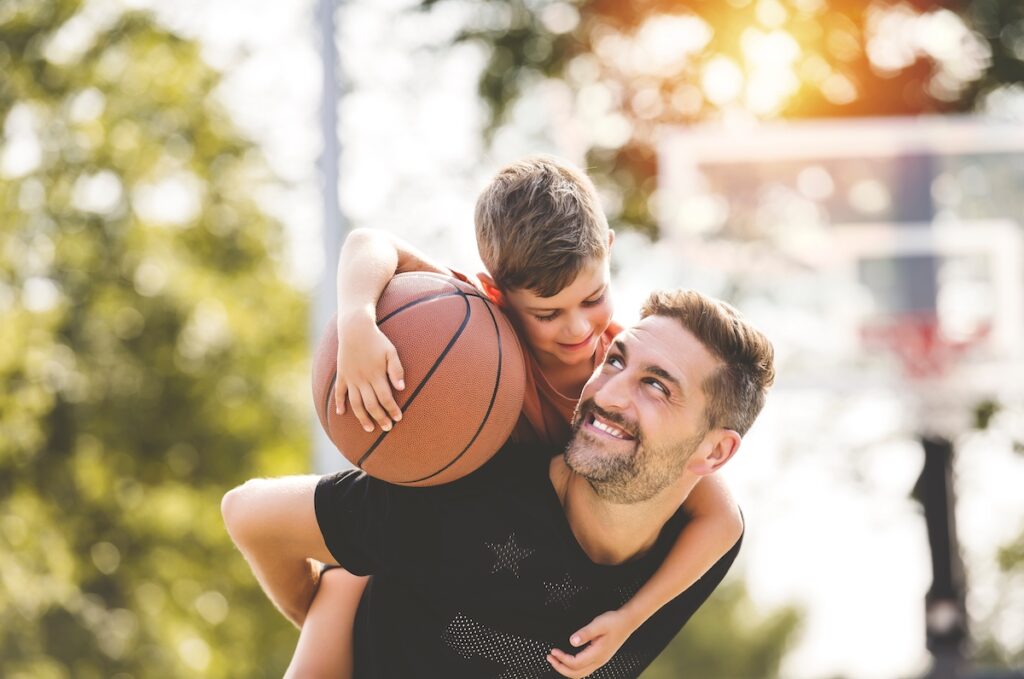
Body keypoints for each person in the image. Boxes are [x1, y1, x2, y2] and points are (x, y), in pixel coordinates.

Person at [290, 156, 743, 677]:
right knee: (347, 578)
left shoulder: (620, 377)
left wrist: (631, 619)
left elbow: (723, 520)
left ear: (608, 249)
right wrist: (357, 321)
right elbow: (369, 243)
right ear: (497, 293)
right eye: (548, 314)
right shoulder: (473, 338)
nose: (578, 329)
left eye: (593, 298)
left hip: (508, 571)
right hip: (421, 541)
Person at [222, 288, 775, 678]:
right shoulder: (459, 498)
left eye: (656, 386)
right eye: (614, 361)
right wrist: (319, 612)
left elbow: (723, 517)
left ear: (715, 452)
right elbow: (247, 512)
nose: (607, 394)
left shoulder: (696, 549)